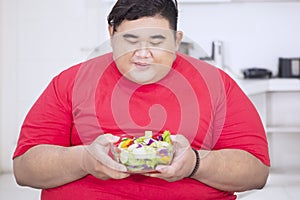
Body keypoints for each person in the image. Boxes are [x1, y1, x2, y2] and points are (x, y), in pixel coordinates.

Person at [13, 0, 270, 199]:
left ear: (177, 40)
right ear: (111, 33)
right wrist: (84, 160)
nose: (143, 54)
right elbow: (24, 169)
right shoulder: (70, 82)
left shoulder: (217, 84)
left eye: (157, 42)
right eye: (130, 40)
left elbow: (256, 172)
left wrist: (196, 163)